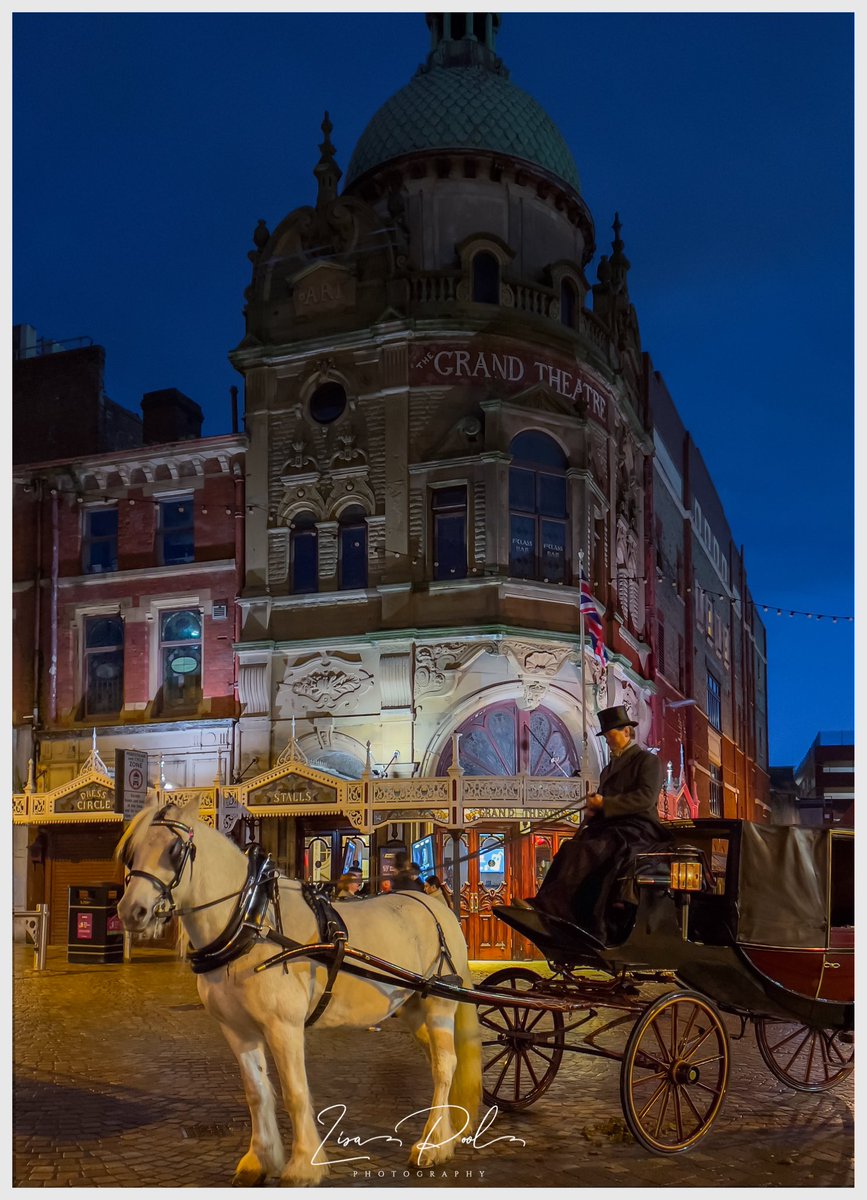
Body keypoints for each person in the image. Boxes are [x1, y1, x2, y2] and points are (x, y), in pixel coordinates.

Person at [528, 704, 667, 944]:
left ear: (627, 732)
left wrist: (606, 803)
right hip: (611, 828)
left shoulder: (647, 761)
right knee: (570, 849)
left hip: (639, 829)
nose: (609, 742)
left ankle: (593, 921)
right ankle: (549, 906)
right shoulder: (607, 770)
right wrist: (595, 810)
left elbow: (645, 798)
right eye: (606, 738)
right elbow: (603, 804)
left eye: (612, 737)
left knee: (593, 850)